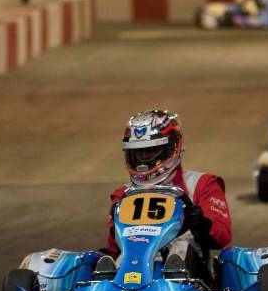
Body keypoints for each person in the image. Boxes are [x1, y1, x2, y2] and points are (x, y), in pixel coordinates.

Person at [98, 110, 232, 281]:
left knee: (180, 248)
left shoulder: (202, 184)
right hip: (135, 265)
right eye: (139, 154)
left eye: (151, 151)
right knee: (118, 257)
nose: (144, 160)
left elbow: (222, 238)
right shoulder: (123, 194)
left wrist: (200, 224)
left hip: (191, 273)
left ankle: (175, 282)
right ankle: (110, 289)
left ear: (172, 148)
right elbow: (114, 247)